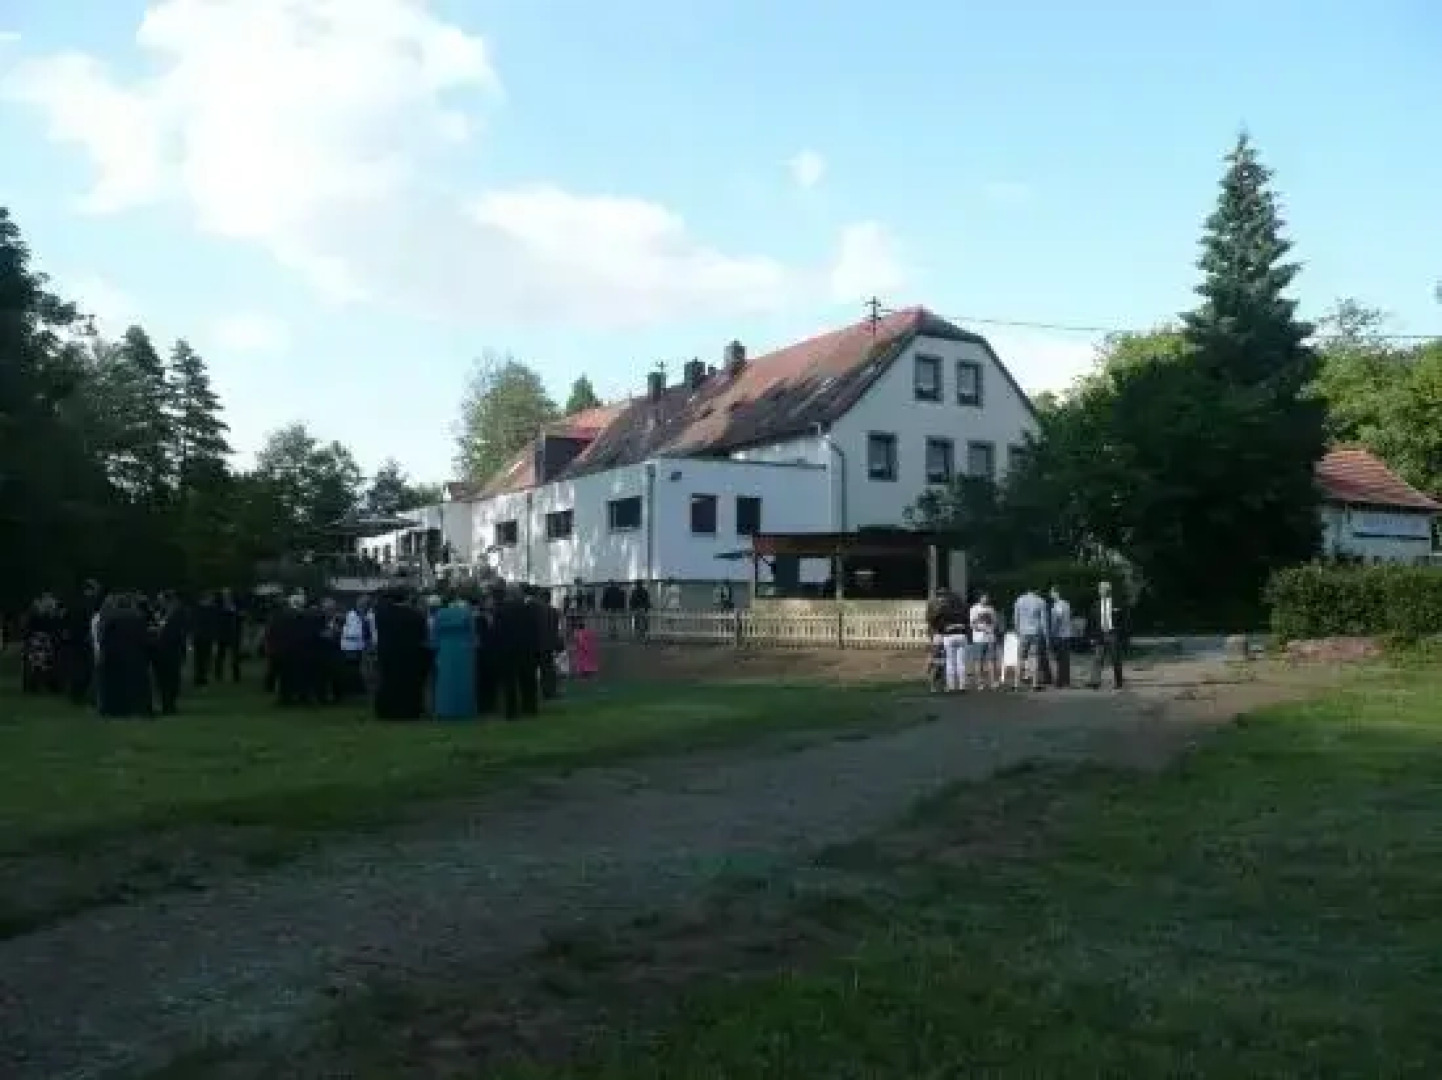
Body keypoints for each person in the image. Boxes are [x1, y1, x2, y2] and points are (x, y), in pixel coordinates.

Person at [373, 588, 430, 719]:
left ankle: (386, 711)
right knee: (408, 684)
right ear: (407, 598)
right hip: (410, 655)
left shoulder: (382, 615)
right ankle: (409, 710)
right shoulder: (416, 616)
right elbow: (423, 636)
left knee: (388, 681)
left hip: (388, 654)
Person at [432, 596, 478, 719]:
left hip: (445, 648)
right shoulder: (466, 613)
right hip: (463, 648)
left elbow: (435, 633)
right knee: (463, 678)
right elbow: (472, 632)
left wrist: (435, 646)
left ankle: (445, 709)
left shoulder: (440, 614)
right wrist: (473, 644)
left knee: (445, 679)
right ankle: (464, 708)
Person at [926, 588, 969, 693]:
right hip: (961, 635)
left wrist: (942, 628)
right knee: (961, 662)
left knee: (950, 662)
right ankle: (962, 686)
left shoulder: (944, 608)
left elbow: (936, 621)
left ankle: (951, 686)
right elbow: (967, 622)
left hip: (948, 635)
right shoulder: (962, 608)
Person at [1087, 580, 1128, 690]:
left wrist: (1123, 635)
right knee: (1097, 658)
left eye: (1101, 588)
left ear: (1107, 590)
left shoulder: (1117, 603)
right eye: (1099, 588)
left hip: (1113, 633)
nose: (1099, 590)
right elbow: (1091, 622)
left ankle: (1119, 682)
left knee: (1115, 659)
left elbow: (1123, 620)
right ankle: (1095, 681)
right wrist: (1091, 636)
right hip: (1099, 634)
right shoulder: (1095, 604)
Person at [152, 593, 188, 715]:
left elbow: (174, 633)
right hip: (165, 651)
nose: (160, 603)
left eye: (161, 600)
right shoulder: (165, 613)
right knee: (165, 680)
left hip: (171, 651)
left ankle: (169, 706)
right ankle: (167, 705)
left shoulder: (177, 614)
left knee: (170, 679)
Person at [1012, 587, 1049, 691]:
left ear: (1027, 590)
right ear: (1037, 591)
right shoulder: (1041, 601)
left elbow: (1015, 617)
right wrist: (1046, 637)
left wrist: (1017, 631)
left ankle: (1016, 685)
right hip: (1036, 632)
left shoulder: (1019, 599)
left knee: (1020, 659)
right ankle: (1034, 684)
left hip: (1023, 632)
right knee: (1034, 658)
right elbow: (1043, 621)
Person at [968, 592, 998, 691]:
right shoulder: (974, 609)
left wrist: (992, 629)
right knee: (978, 661)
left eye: (987, 598)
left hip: (990, 638)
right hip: (978, 639)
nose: (985, 599)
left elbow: (995, 622)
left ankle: (993, 681)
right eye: (984, 598)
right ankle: (980, 683)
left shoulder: (991, 609)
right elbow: (972, 624)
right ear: (979, 598)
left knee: (991, 660)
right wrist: (983, 629)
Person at [213, 588, 243, 683]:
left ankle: (236, 675)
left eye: (228, 594)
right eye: (225, 594)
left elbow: (241, 616)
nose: (227, 596)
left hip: (234, 633)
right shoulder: (219, 606)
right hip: (223, 633)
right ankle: (218, 674)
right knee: (220, 655)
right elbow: (217, 617)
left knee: (235, 656)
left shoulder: (236, 604)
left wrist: (236, 612)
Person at [191, 592, 217, 688]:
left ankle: (200, 676)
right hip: (204, 636)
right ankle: (201, 676)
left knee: (200, 658)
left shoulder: (197, 609)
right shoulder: (209, 610)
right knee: (203, 658)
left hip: (200, 636)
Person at [1049, 586, 1073, 688]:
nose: (1050, 594)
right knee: (1066, 659)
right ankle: (1066, 680)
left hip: (1060, 635)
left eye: (1052, 592)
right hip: (1067, 634)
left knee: (1060, 659)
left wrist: (1053, 633)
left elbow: (1057, 620)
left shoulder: (1058, 605)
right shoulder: (1067, 604)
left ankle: (1060, 682)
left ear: (1056, 593)